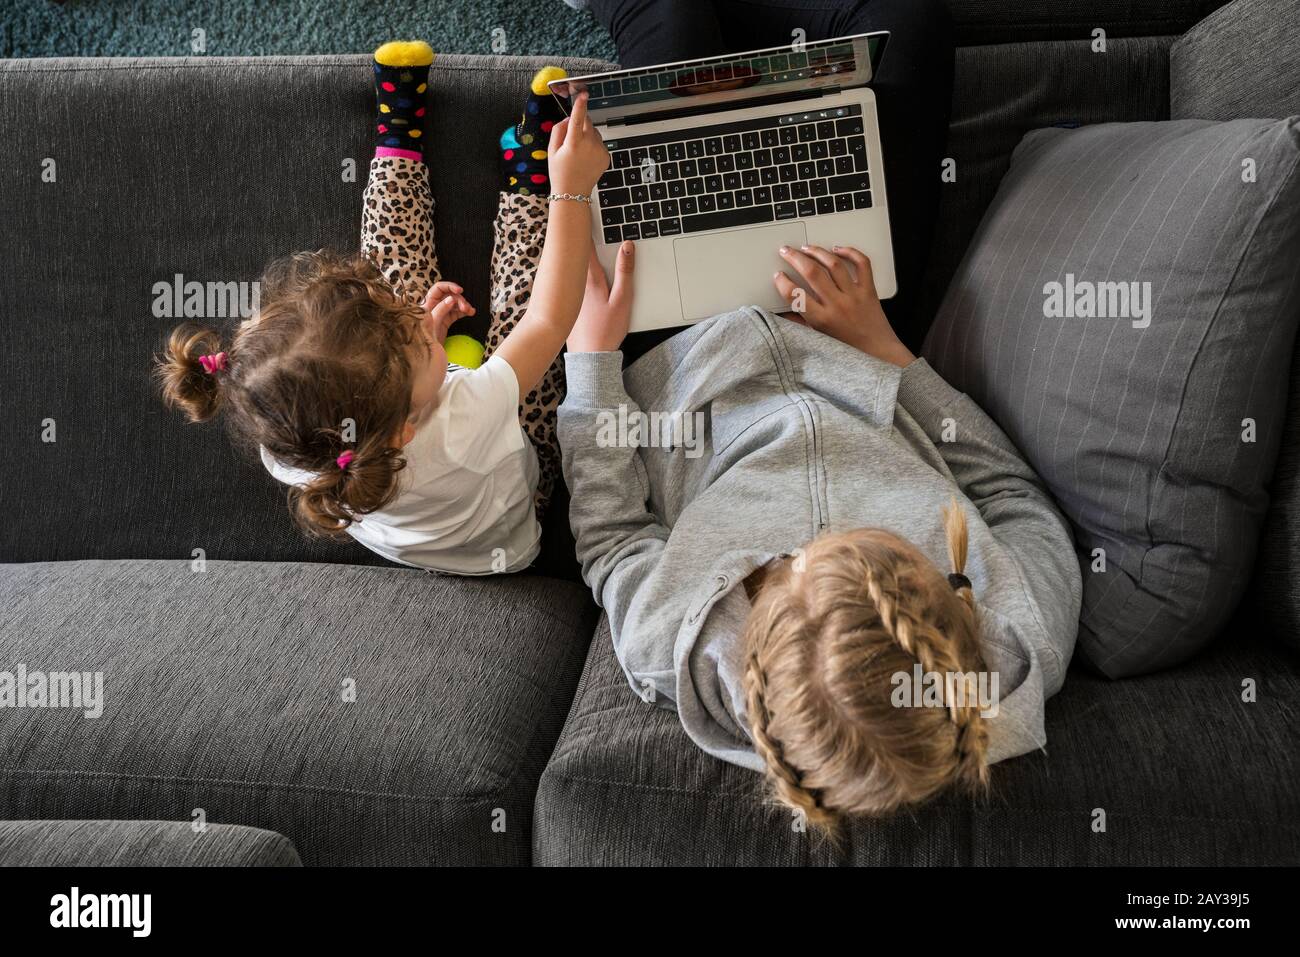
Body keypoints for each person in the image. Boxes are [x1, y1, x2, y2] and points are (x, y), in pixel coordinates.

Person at [155, 41, 611, 574]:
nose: (420, 315)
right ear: (404, 428)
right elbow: (548, 318)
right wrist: (572, 191)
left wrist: (423, 343)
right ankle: (539, 178)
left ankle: (399, 139)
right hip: (508, 524)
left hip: (422, 452)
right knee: (523, 329)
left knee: (388, 272)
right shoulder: (464, 417)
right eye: (417, 339)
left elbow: (376, 348)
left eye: (401, 318)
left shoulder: (289, 444)